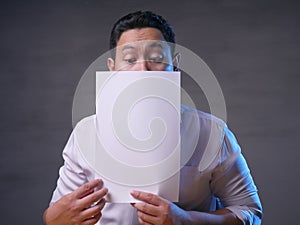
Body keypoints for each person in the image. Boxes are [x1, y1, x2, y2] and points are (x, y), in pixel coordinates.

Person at [44, 11, 263, 225]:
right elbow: (58, 215)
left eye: (156, 58)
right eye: (129, 59)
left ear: (174, 64)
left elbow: (250, 212)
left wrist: (186, 221)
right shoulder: (86, 133)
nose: (142, 69)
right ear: (112, 68)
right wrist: (51, 219)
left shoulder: (211, 132)